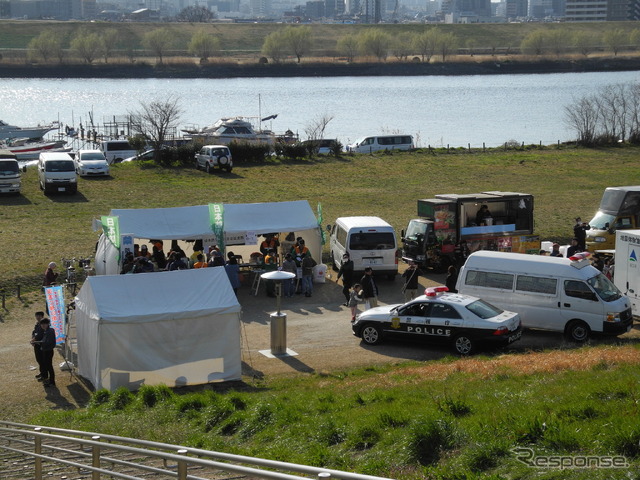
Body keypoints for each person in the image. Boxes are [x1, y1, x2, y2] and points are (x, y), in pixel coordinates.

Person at [36, 317, 57, 388]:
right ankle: (49, 380)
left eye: (45, 324)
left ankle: (52, 382)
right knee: (47, 366)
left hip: (48, 351)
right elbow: (44, 341)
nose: (43, 325)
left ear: (48, 324)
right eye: (42, 324)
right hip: (45, 350)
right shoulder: (45, 331)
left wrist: (39, 343)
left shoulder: (50, 331)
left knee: (49, 366)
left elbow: (48, 342)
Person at [30, 312, 46, 381]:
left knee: (43, 360)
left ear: (42, 316)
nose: (38, 317)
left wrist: (34, 339)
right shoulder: (37, 324)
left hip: (41, 345)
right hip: (36, 344)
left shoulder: (44, 324)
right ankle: (42, 373)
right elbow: (34, 332)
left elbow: (40, 334)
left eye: (39, 316)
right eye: (36, 316)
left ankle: (45, 375)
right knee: (38, 359)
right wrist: (33, 339)